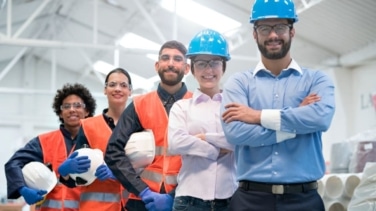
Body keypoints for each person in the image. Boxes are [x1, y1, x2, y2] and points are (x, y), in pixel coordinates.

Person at [220, 0, 336, 210]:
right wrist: (295, 124)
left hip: (304, 201)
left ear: (292, 32)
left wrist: (257, 116)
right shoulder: (239, 83)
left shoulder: (317, 80)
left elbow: (320, 118)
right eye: (265, 28)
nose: (273, 35)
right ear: (255, 34)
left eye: (280, 27)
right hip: (249, 201)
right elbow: (235, 132)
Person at [104, 40, 193, 211]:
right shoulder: (139, 104)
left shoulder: (197, 104)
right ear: (157, 65)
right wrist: (143, 191)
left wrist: (172, 197)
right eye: (165, 58)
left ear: (187, 68)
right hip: (142, 201)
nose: (171, 64)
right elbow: (113, 151)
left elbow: (206, 160)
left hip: (185, 200)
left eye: (177, 59)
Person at [168, 29, 237, 211]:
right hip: (189, 201)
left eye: (214, 62)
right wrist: (216, 149)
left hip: (230, 200)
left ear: (224, 67)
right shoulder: (181, 107)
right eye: (201, 63)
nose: (208, 70)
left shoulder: (235, 107)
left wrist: (204, 139)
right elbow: (176, 143)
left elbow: (239, 141)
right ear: (191, 69)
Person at [4, 83, 96, 211]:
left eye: (77, 105)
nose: (72, 109)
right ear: (60, 113)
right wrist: (22, 189)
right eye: (66, 106)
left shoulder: (96, 141)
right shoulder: (43, 141)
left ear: (87, 111)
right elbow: (13, 163)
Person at [59, 68, 132, 211]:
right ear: (105, 90)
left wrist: (119, 174)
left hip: (132, 206)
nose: (117, 89)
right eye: (112, 84)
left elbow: (147, 171)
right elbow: (76, 178)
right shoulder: (88, 126)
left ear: (130, 91)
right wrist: (65, 172)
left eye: (123, 85)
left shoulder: (140, 126)